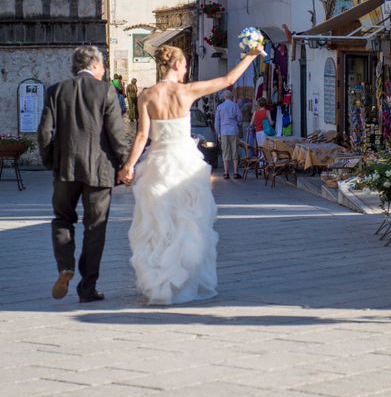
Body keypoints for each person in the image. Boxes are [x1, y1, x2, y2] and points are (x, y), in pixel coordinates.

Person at [117, 44, 262, 305]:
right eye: (184, 64)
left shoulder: (147, 96)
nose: (186, 69)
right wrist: (250, 56)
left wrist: (129, 166)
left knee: (159, 226)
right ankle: (183, 281)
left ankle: (161, 281)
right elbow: (228, 80)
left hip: (158, 165)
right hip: (185, 164)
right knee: (189, 224)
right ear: (175, 65)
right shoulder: (187, 91)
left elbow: (141, 136)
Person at [37, 46, 129, 303]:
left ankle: (65, 265)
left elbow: (44, 133)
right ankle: (87, 288)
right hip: (99, 171)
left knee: (62, 218)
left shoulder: (56, 91)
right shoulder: (106, 90)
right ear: (95, 65)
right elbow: (116, 134)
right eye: (103, 66)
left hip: (65, 169)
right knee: (95, 228)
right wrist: (125, 164)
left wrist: (50, 161)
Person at [215, 89, 243, 179]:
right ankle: (235, 172)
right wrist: (238, 122)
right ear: (231, 97)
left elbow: (217, 122)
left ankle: (226, 173)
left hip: (223, 131)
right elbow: (239, 118)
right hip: (233, 131)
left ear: (224, 97)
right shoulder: (235, 105)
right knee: (235, 150)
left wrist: (218, 133)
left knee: (225, 151)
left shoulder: (220, 107)